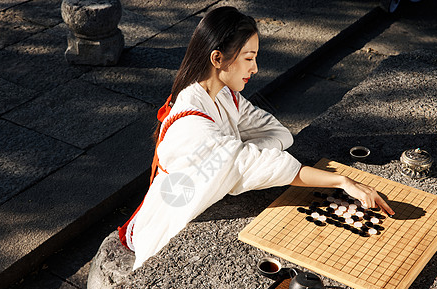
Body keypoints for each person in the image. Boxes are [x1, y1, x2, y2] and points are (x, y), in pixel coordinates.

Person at [119, 6, 395, 270]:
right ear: (218, 59)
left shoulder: (225, 95)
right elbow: (262, 162)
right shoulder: (194, 124)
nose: (255, 68)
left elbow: (278, 134)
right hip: (171, 216)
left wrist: (237, 157)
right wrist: (342, 180)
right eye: (248, 58)